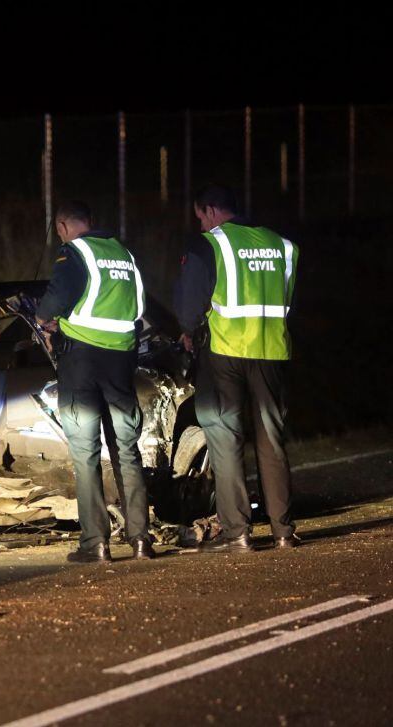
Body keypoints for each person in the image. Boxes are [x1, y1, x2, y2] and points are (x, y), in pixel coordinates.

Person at [175, 184, 300, 552]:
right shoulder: (283, 246)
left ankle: (238, 533)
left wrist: (187, 331)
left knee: (225, 438)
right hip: (272, 351)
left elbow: (188, 309)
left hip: (224, 351)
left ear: (211, 210)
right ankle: (283, 531)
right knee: (271, 440)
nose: (200, 226)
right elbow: (287, 299)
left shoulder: (210, 244)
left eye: (200, 218)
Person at [36, 201, 154, 562]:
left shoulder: (74, 252)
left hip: (82, 362)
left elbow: (56, 298)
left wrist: (43, 320)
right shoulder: (124, 253)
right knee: (127, 450)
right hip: (121, 361)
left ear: (62, 226)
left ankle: (96, 543)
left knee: (85, 451)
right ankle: (140, 540)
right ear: (93, 220)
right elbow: (138, 308)